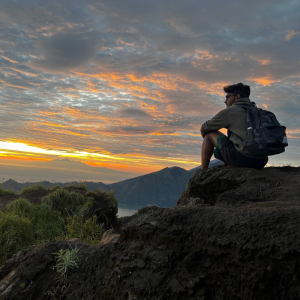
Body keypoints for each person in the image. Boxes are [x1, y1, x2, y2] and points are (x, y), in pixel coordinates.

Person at [200, 83, 268, 169]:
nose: (225, 101)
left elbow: (204, 129)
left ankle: (203, 171)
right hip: (262, 161)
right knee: (235, 136)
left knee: (209, 134)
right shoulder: (256, 111)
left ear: (237, 97)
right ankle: (226, 163)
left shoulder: (231, 111)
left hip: (243, 159)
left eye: (228, 97)